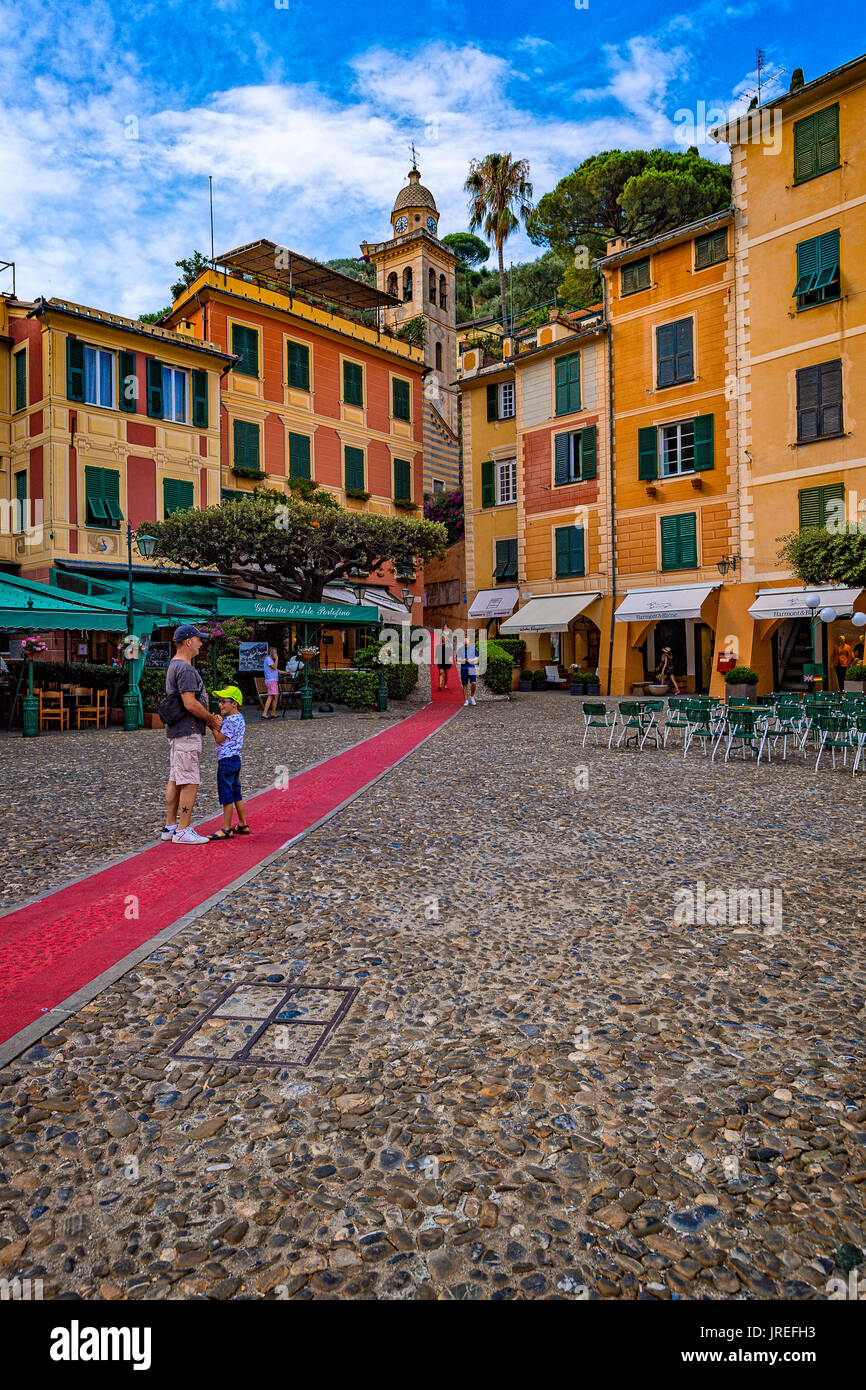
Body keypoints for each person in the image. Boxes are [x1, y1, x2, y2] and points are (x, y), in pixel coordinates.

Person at [161, 624, 221, 846]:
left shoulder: (173, 665)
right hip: (188, 730)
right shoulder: (186, 669)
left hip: (177, 730)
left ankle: (170, 826)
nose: (201, 643)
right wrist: (210, 718)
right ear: (188, 642)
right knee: (189, 780)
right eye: (198, 639)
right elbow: (190, 703)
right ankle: (183, 829)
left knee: (175, 778)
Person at [208, 685, 250, 841]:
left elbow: (219, 739)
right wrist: (219, 725)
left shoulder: (230, 720)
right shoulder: (239, 717)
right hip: (236, 759)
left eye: (223, 701)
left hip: (226, 760)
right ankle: (243, 823)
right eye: (219, 701)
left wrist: (213, 726)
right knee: (236, 793)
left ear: (234, 703)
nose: (220, 705)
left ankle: (226, 828)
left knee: (226, 795)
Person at [455, 632, 479, 707]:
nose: (466, 643)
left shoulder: (473, 648)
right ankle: (466, 700)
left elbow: (476, 657)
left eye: (467, 641)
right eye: (464, 642)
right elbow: (457, 659)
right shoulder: (460, 649)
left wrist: (471, 660)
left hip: (471, 668)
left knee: (473, 683)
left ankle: (472, 696)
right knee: (465, 685)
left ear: (469, 641)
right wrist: (463, 660)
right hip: (464, 668)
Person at [261, 646, 283, 719]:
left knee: (275, 697)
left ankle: (273, 713)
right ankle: (264, 713)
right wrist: (277, 659)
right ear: (271, 653)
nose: (276, 654)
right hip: (271, 680)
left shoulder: (270, 660)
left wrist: (286, 672)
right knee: (271, 697)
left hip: (273, 680)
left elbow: (276, 670)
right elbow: (274, 667)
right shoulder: (268, 659)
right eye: (275, 652)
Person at [437, 623, 454, 690]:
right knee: (441, 673)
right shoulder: (439, 645)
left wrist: (450, 659)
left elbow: (450, 653)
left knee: (446, 673)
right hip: (441, 660)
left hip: (447, 660)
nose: (443, 638)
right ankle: (440, 685)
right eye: (442, 638)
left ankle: (445, 684)